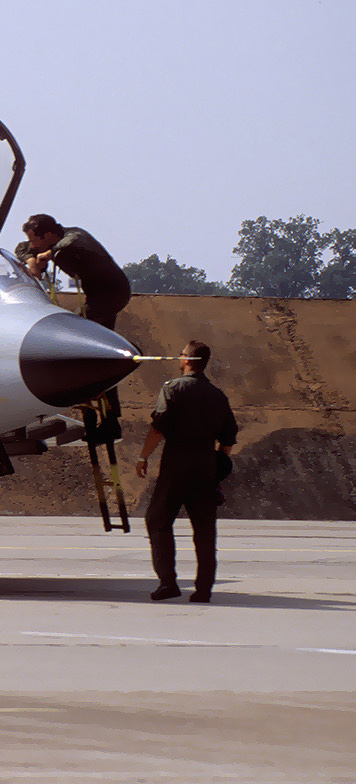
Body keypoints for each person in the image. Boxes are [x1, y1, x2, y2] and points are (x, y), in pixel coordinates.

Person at [135, 342, 237, 602]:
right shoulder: (217, 395)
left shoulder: (173, 389)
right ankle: (204, 589)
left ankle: (168, 582)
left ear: (189, 359)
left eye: (182, 354)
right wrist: (215, 467)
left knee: (157, 521)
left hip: (177, 462)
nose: (179, 357)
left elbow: (158, 428)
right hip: (205, 465)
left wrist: (143, 456)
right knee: (204, 530)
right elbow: (227, 439)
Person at [16, 214, 132, 330]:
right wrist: (32, 262)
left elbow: (72, 241)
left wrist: (49, 253)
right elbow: (21, 248)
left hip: (114, 292)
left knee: (74, 328)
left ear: (47, 235)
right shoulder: (43, 243)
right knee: (102, 334)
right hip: (93, 295)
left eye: (34, 240)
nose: (32, 245)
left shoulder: (76, 235)